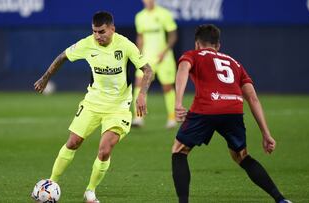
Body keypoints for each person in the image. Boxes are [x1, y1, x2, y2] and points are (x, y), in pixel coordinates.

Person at [33, 11, 153, 203]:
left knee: (105, 149)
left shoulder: (125, 45)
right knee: (73, 142)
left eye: (102, 32)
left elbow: (147, 70)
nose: (98, 36)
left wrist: (142, 94)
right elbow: (63, 56)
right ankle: (50, 183)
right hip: (92, 102)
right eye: (95, 32)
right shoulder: (87, 44)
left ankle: (90, 191)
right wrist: (45, 77)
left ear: (112, 29)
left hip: (118, 107)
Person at [171, 24, 291, 203]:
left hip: (207, 107)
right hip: (234, 110)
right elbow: (252, 98)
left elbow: (182, 70)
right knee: (242, 156)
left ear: (197, 44)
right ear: (218, 46)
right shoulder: (234, 63)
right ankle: (281, 199)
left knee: (179, 151)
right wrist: (266, 133)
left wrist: (178, 102)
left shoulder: (192, 55)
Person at [132, 0, 178, 128]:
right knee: (139, 84)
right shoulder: (140, 17)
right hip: (147, 58)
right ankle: (138, 117)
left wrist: (164, 52)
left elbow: (173, 35)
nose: (149, 2)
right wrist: (137, 54)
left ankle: (172, 118)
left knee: (167, 87)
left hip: (164, 57)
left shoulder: (164, 14)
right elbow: (140, 37)